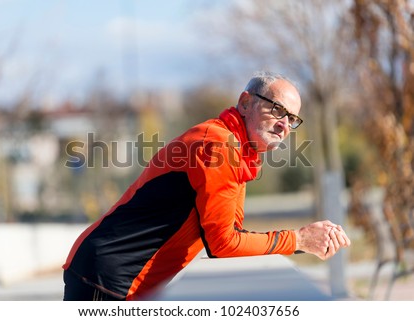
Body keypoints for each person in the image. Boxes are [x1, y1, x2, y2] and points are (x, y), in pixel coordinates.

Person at [62, 71, 351, 301]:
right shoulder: (219, 144)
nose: (284, 125)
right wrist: (299, 240)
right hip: (107, 277)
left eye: (292, 118)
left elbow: (232, 233)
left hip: (119, 278)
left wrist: (301, 241)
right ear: (246, 102)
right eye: (277, 110)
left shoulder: (238, 150)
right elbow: (223, 243)